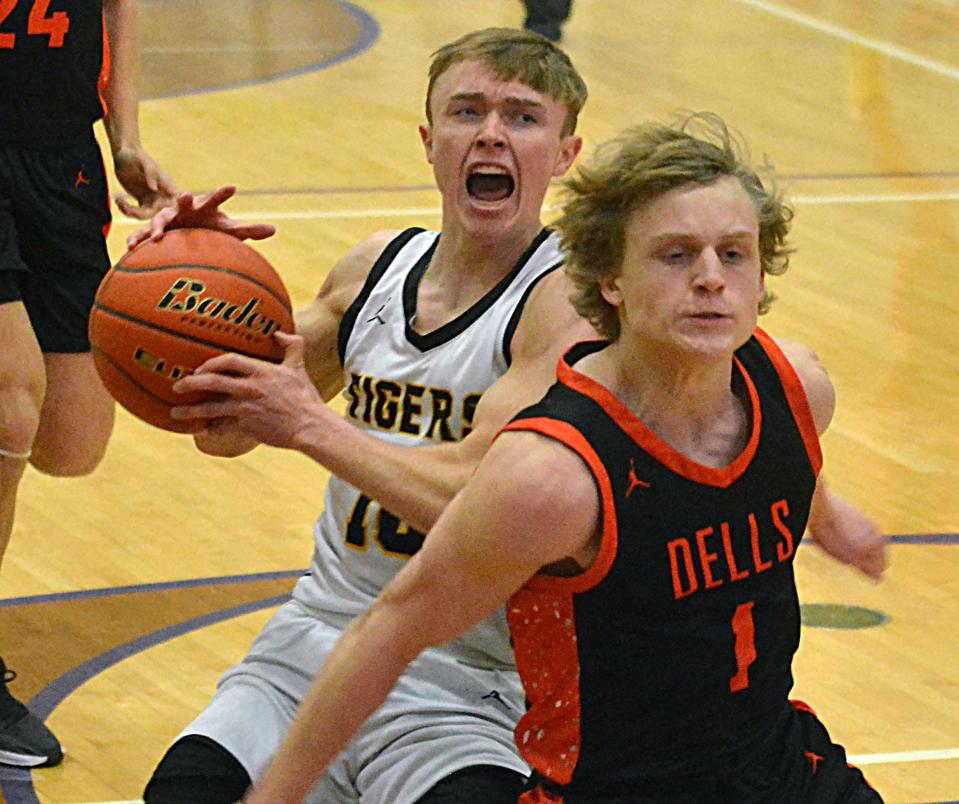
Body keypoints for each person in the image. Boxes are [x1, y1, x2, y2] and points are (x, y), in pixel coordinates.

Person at [240, 113, 885, 804]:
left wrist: (824, 513)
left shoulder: (796, 388)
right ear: (610, 278)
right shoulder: (553, 474)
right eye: (675, 254)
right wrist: (273, 796)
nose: (709, 278)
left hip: (785, 773)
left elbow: (785, 458)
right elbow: (389, 630)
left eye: (733, 253)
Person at [140, 27, 592, 803]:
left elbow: (480, 513)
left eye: (521, 116)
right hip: (314, 644)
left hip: (467, 680)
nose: (489, 132)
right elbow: (223, 426)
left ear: (564, 154)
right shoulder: (375, 270)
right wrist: (184, 281)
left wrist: (314, 427)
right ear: (427, 140)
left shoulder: (564, 307)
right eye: (466, 111)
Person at [0, 0, 176, 768]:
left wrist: (125, 139)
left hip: (61, 156)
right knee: (10, 400)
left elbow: (116, 10)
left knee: (70, 440)